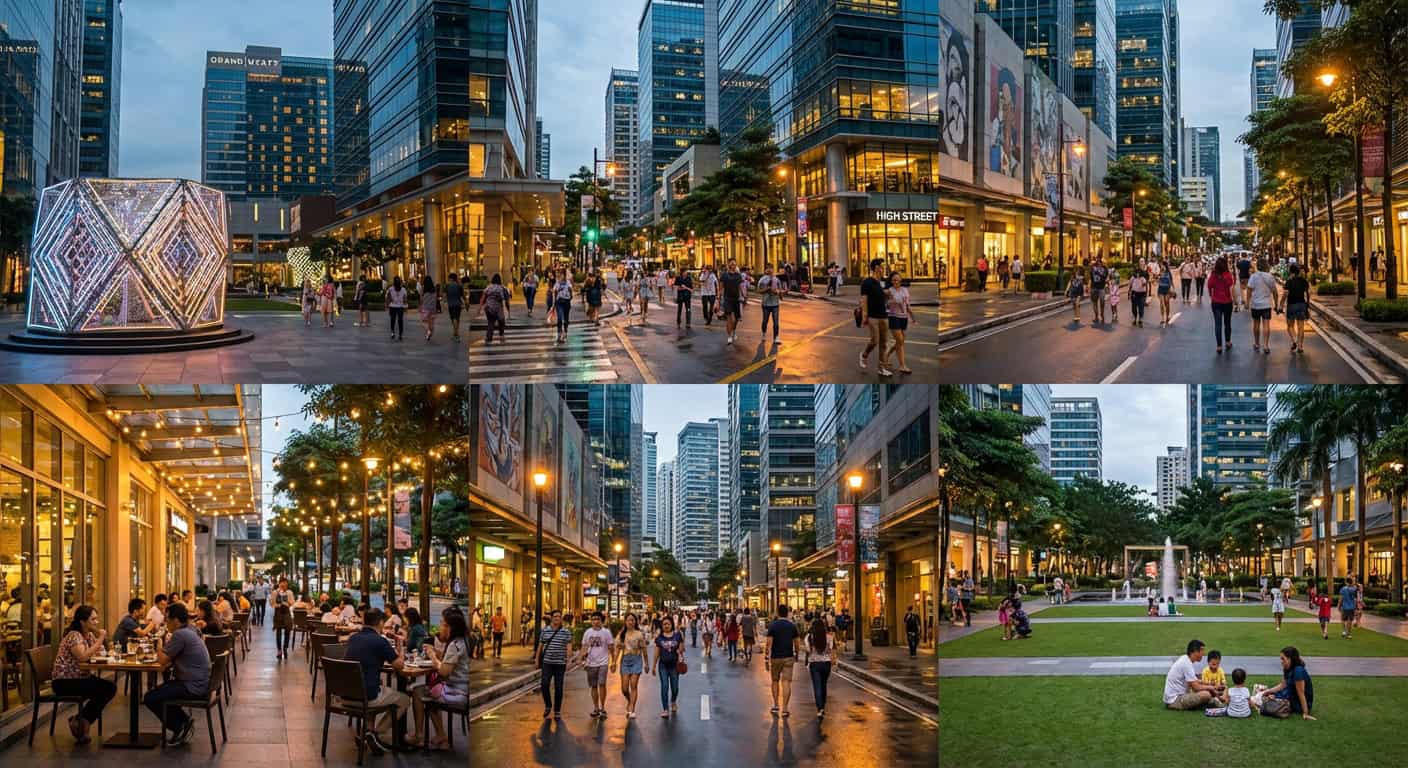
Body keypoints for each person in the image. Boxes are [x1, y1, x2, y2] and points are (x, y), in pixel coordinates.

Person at [143, 603, 212, 747]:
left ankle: (180, 725)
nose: (165, 623)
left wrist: (159, 640)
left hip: (192, 685)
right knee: (162, 691)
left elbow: (162, 660)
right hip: (201, 682)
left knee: (151, 697)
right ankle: (183, 722)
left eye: (167, 619)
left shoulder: (181, 634)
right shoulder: (191, 629)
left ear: (175, 620)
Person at [344, 609, 409, 752]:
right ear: (380, 622)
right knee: (404, 700)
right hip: (366, 696)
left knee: (374, 687)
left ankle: (369, 732)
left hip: (345, 695)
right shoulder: (380, 641)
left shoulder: (353, 638)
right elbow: (399, 665)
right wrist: (401, 651)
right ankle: (375, 734)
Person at [52, 605, 116, 744]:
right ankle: (82, 722)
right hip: (65, 681)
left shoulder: (89, 635)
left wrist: (104, 647)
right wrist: (101, 638)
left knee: (109, 687)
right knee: (105, 689)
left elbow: (100, 652)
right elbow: (82, 657)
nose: (96, 622)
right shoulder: (74, 635)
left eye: (96, 619)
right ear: (83, 622)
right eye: (93, 619)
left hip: (80, 677)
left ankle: (81, 720)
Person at [411, 610, 468, 749]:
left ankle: (419, 736)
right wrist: (436, 652)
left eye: (442, 623)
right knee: (428, 690)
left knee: (418, 692)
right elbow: (450, 659)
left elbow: (444, 671)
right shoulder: (463, 642)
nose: (440, 626)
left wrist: (432, 656)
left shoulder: (454, 645)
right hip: (464, 690)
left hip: (456, 692)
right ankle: (440, 735)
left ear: (450, 628)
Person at [764, 604, 801, 718]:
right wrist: (797, 654)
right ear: (787, 613)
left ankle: (776, 705)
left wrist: (766, 656)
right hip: (788, 657)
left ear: (778, 613)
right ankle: (785, 708)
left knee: (775, 681)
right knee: (786, 683)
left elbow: (768, 643)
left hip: (775, 657)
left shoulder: (773, 626)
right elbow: (797, 643)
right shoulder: (792, 626)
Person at [535, 609, 572, 720]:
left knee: (558, 687)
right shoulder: (545, 631)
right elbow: (540, 646)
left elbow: (569, 647)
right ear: (551, 618)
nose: (557, 618)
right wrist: (537, 660)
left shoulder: (566, 632)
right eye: (555, 616)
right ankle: (548, 705)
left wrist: (569, 660)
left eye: (559, 617)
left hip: (560, 664)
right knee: (544, 684)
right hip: (547, 663)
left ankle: (557, 710)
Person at [577, 611, 615, 719]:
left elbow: (611, 647)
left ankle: (603, 708)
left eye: (598, 619)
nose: (595, 621)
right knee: (593, 686)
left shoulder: (606, 632)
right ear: (591, 621)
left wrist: (614, 661)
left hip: (603, 662)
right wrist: (580, 658)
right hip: (590, 663)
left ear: (601, 620)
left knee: (602, 684)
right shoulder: (587, 632)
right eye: (593, 619)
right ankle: (596, 708)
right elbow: (584, 647)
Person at [1261, 646, 1315, 720]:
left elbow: (1301, 694)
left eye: (1283, 659)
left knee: (1268, 700)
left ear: (1290, 659)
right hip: (1291, 694)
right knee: (1266, 693)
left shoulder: (1298, 671)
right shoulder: (1287, 667)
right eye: (1281, 659)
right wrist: (1268, 691)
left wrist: (1305, 713)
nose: (1281, 661)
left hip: (1298, 702)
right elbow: (1283, 685)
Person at [1162, 639, 1217, 710]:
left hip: (1175, 698)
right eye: (1202, 650)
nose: (1203, 654)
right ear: (1195, 651)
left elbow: (1194, 681)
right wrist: (1210, 687)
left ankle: (1214, 702)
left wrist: (1208, 684)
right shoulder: (1186, 664)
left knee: (1205, 691)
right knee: (1206, 694)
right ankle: (1216, 702)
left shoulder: (1185, 659)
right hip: (1175, 700)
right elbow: (1196, 687)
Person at [858, 258, 892, 376]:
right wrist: (865, 316)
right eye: (882, 266)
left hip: (884, 315)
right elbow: (864, 300)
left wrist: (887, 294)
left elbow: (886, 298)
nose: (883, 268)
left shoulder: (882, 282)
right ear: (876, 268)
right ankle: (864, 355)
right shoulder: (867, 282)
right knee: (875, 341)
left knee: (884, 343)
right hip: (873, 317)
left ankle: (881, 368)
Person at [613, 612, 648, 719]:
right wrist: (614, 662)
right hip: (625, 661)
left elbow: (644, 649)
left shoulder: (639, 634)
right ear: (625, 621)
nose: (630, 622)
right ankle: (630, 700)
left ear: (635, 622)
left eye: (632, 620)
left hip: (636, 660)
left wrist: (646, 663)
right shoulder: (621, 635)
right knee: (624, 688)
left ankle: (632, 708)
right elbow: (617, 649)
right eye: (628, 620)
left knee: (633, 685)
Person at [650, 615, 685, 718]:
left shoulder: (677, 635)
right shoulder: (659, 638)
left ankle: (673, 701)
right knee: (664, 687)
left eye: (668, 624)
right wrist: (653, 666)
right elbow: (656, 653)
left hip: (674, 666)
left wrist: (681, 643)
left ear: (672, 625)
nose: (666, 625)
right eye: (664, 624)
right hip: (663, 666)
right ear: (662, 625)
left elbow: (682, 650)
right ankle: (665, 709)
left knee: (675, 688)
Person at [802, 617, 835, 718]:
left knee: (817, 686)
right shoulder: (829, 637)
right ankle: (823, 706)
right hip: (826, 663)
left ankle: (819, 708)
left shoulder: (809, 637)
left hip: (814, 664)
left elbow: (808, 650)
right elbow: (831, 649)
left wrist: (806, 660)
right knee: (823, 685)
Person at [884, 271, 915, 374]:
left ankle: (887, 355)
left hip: (903, 318)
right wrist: (889, 302)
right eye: (893, 280)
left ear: (900, 280)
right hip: (893, 317)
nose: (895, 281)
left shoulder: (905, 290)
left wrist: (912, 316)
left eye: (897, 279)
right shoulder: (889, 291)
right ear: (891, 281)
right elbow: (885, 304)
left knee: (900, 341)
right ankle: (902, 365)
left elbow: (907, 305)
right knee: (900, 340)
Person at [1247, 259, 1280, 354]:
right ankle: (1265, 345)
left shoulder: (1253, 276)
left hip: (1255, 305)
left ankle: (1257, 343)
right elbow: (1275, 292)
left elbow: (1249, 290)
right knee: (1266, 325)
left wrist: (1247, 303)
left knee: (1256, 324)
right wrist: (1276, 304)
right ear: (1266, 266)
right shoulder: (1270, 277)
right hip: (1266, 305)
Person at [1207, 256, 1237, 353]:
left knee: (1218, 324)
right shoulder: (1228, 275)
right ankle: (1228, 342)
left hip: (1216, 303)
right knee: (1227, 323)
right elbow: (1231, 289)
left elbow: (1209, 286)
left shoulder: (1213, 274)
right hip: (1227, 302)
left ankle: (1219, 346)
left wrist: (1212, 297)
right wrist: (1236, 302)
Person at [1283, 263, 1311, 354]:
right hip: (1301, 304)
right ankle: (1300, 346)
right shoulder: (1304, 281)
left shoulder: (1289, 281)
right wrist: (1307, 304)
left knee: (1290, 326)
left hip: (1291, 305)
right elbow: (1308, 293)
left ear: (1290, 271)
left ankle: (1295, 340)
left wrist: (1280, 304)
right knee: (1301, 327)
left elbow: (1285, 294)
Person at [480, 273, 510, 345]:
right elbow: (507, 300)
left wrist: (480, 308)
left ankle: (488, 338)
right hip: (498, 308)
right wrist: (508, 309)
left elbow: (483, 298)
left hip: (488, 308)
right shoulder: (503, 288)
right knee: (501, 321)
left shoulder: (488, 287)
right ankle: (501, 335)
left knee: (491, 322)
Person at [720, 260, 745, 344]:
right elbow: (721, 287)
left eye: (734, 264)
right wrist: (718, 298)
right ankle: (730, 336)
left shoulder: (738, 275)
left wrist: (744, 295)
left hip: (736, 299)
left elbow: (741, 286)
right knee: (729, 318)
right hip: (727, 298)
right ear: (728, 265)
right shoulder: (724, 275)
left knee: (737, 318)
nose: (733, 265)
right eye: (731, 264)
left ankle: (734, 331)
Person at [759, 264, 783, 343]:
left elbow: (780, 291)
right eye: (768, 268)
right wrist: (767, 289)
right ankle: (763, 334)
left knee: (776, 322)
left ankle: (776, 337)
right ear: (766, 270)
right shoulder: (762, 280)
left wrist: (779, 293)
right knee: (765, 321)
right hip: (766, 304)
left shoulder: (777, 280)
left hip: (775, 304)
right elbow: (759, 291)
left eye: (771, 268)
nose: (770, 270)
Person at [272, 578, 294, 659]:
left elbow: (292, 603)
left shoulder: (289, 592)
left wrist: (287, 603)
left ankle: (285, 648)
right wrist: (279, 604)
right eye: (282, 583)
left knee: (287, 631)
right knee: (278, 632)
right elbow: (272, 603)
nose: (284, 585)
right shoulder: (275, 592)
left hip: (287, 613)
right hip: (278, 613)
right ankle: (279, 650)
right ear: (279, 584)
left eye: (285, 584)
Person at [551, 268, 574, 344]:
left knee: (566, 318)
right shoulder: (557, 283)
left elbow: (571, 290)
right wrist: (553, 303)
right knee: (560, 318)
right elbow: (554, 291)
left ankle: (565, 331)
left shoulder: (568, 283)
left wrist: (570, 296)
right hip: (559, 302)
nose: (559, 276)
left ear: (564, 275)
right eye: (559, 274)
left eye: (561, 274)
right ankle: (559, 334)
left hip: (566, 302)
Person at [444, 272, 465, 341]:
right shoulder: (459, 286)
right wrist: (466, 303)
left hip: (451, 304)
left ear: (450, 278)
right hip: (458, 304)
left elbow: (445, 295)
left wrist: (444, 303)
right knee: (457, 319)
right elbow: (463, 296)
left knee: (454, 319)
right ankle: (455, 333)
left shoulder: (447, 286)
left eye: (449, 278)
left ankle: (456, 335)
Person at [386, 276, 408, 341]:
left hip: (396, 306)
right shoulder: (392, 289)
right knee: (397, 320)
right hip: (396, 306)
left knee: (396, 320)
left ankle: (395, 333)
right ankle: (397, 333)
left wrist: (387, 304)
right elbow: (388, 297)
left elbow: (405, 299)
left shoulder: (402, 289)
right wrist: (406, 306)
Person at [419, 275, 440, 341]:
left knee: (424, 321)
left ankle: (428, 331)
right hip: (433, 308)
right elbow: (436, 299)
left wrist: (420, 306)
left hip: (425, 307)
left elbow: (421, 299)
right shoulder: (434, 289)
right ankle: (429, 332)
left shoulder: (423, 289)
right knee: (431, 322)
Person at [1088, 258, 1108, 324]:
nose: (1098, 263)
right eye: (1097, 262)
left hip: (1101, 288)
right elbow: (1091, 278)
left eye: (1100, 262)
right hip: (1094, 287)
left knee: (1102, 302)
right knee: (1094, 302)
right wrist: (1089, 286)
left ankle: (1101, 314)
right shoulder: (1092, 268)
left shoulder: (1105, 269)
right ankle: (1096, 316)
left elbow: (1105, 277)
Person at [1155, 260, 1174, 325]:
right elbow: (1156, 279)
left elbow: (1171, 281)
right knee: (1161, 303)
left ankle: (1167, 316)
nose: (1161, 266)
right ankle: (1162, 318)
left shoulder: (1169, 272)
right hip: (1160, 289)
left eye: (1162, 265)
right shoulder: (1160, 272)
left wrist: (1172, 289)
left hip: (1167, 289)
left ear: (1165, 265)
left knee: (1166, 302)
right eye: (1161, 265)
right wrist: (1157, 278)